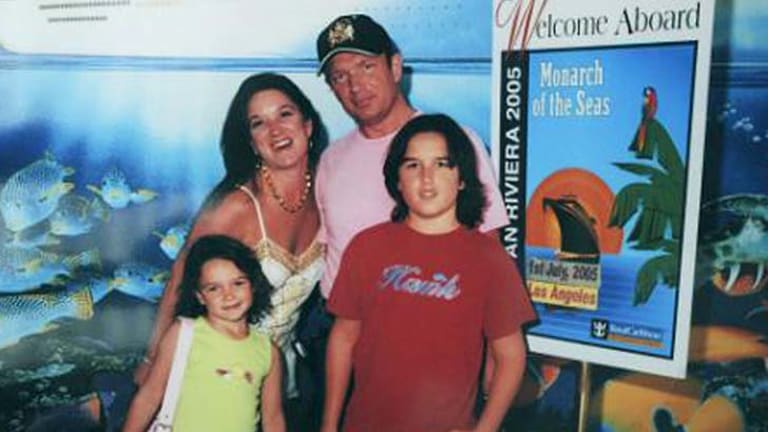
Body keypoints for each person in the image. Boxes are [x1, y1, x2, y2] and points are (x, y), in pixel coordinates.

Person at [321, 114, 536, 432]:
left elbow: (511, 356)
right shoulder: (366, 246)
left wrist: (485, 429)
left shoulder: (489, 258)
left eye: (442, 164)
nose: (426, 178)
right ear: (397, 179)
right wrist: (328, 425)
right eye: (413, 165)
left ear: (462, 178)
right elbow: (343, 338)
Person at [135, 73, 326, 423]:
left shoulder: (328, 191)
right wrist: (152, 361)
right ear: (251, 142)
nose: (275, 130)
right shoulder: (234, 207)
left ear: (308, 125)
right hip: (217, 373)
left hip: (283, 376)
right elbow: (180, 280)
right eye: (258, 123)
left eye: (285, 114)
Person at [123, 235, 285, 432]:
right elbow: (150, 396)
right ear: (200, 296)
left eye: (238, 283)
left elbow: (273, 418)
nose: (228, 295)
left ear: (254, 285)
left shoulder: (268, 352)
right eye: (214, 288)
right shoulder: (183, 333)